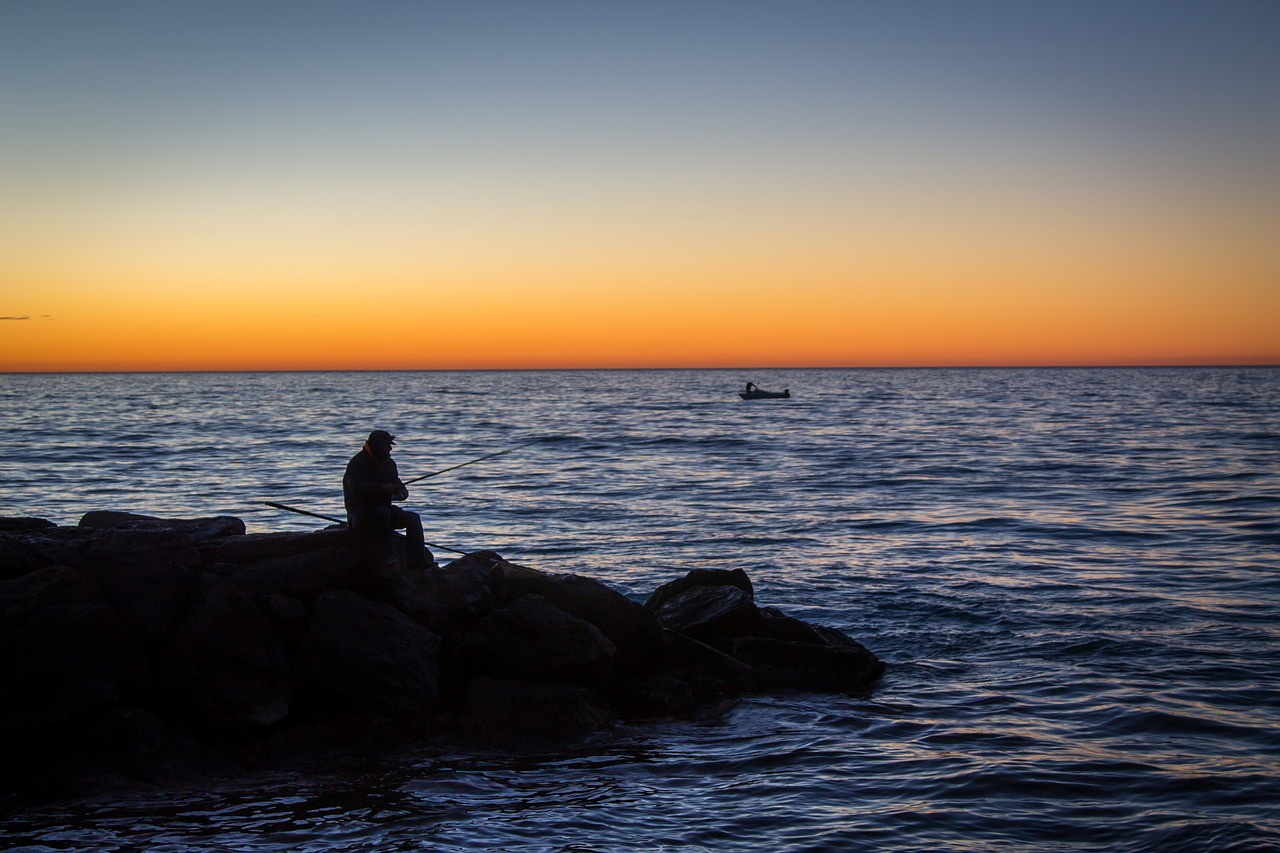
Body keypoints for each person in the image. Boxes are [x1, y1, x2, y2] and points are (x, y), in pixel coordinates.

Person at [343, 429, 432, 570]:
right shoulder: (357, 463)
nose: (390, 448)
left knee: (413, 518)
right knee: (382, 513)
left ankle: (417, 563)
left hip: (385, 510)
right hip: (360, 514)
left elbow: (396, 484)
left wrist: (402, 492)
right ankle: (386, 559)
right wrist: (382, 488)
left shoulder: (389, 464)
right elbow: (357, 490)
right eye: (387, 445)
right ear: (377, 446)